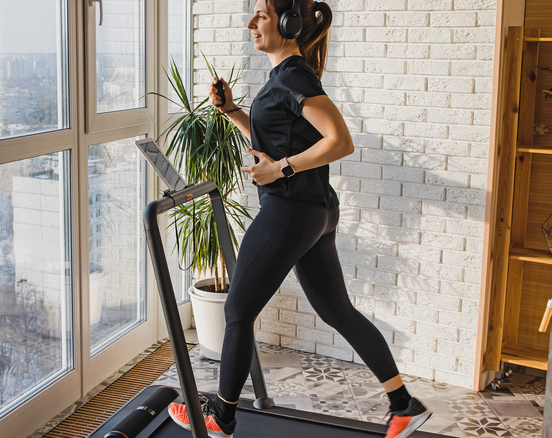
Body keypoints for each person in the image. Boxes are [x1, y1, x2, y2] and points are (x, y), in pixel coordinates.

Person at [166, 0, 432, 437]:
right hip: (315, 211)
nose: (252, 23)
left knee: (237, 310)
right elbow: (276, 136)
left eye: (262, 16)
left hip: (291, 207)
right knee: (337, 311)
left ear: (287, 25)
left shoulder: (293, 75)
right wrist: (233, 112)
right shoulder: (284, 76)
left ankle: (222, 416)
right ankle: (404, 404)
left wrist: (281, 168)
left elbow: (340, 140)